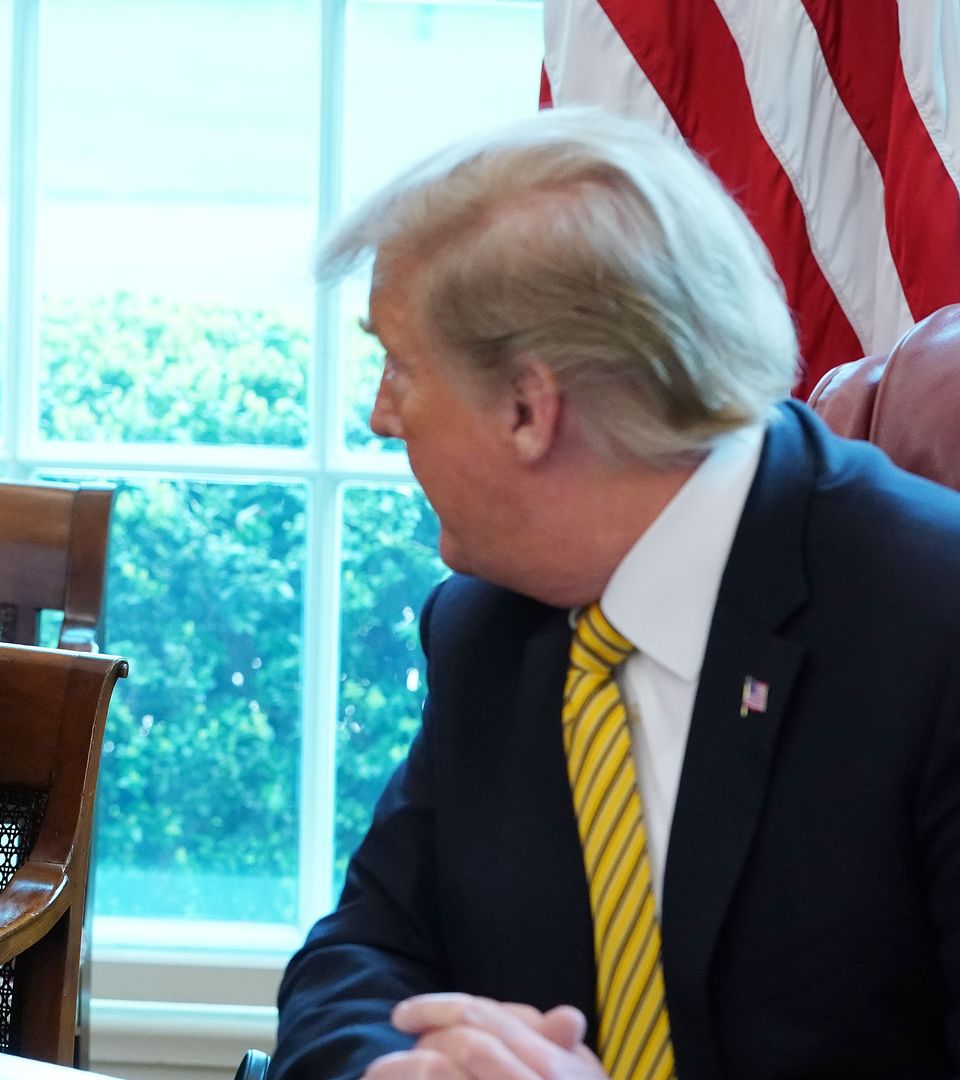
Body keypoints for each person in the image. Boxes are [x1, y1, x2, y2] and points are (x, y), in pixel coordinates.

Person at [272, 108, 960, 1079]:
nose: (382, 416)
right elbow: (362, 954)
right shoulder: (486, 628)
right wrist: (402, 1068)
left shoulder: (931, 631)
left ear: (529, 408)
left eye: (400, 364)